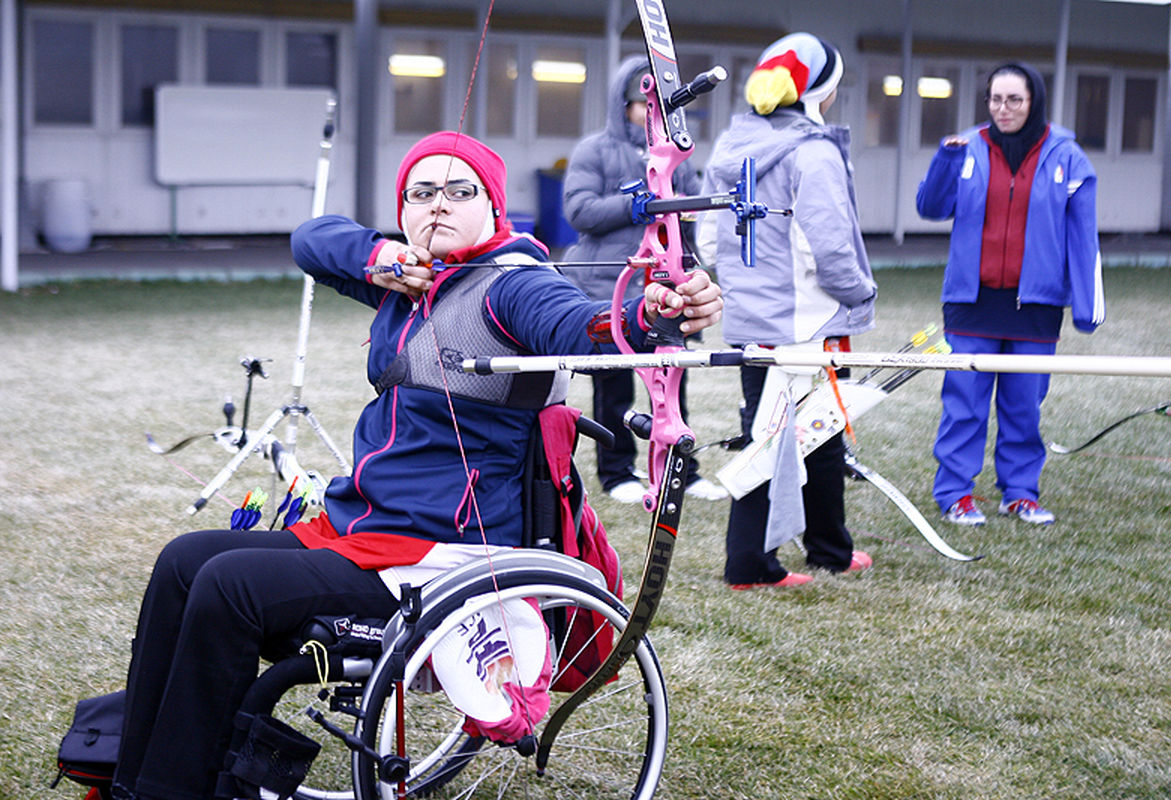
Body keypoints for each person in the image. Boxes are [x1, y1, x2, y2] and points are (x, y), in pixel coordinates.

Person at [110, 130, 723, 800]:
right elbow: (311, 239)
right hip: (366, 530)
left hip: (439, 553)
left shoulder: (511, 284)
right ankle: (132, 775)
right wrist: (379, 257)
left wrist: (654, 311)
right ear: (402, 210)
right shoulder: (407, 281)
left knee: (230, 584)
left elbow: (581, 326)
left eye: (462, 191)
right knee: (183, 559)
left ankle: (174, 791)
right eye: (421, 192)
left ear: (494, 207)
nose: (439, 205)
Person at [698, 33, 875, 589]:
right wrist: (860, 294)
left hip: (754, 322)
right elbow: (832, 249)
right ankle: (749, 562)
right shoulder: (813, 151)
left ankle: (829, 547)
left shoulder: (730, 144)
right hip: (808, 323)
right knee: (774, 439)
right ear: (823, 89)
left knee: (813, 436)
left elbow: (706, 239)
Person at [916, 62, 1104, 527]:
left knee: (1023, 407)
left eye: (1014, 100)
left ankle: (1020, 493)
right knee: (964, 405)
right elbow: (930, 208)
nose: (1003, 109)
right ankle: (955, 493)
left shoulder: (1067, 155)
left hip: (1036, 308)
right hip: (971, 303)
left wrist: (1087, 307)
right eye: (995, 100)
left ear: (1033, 101)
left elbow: (1084, 236)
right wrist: (944, 161)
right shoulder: (966, 147)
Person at [561, 55, 727, 504]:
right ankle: (617, 473)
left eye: (652, 107)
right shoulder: (594, 150)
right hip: (609, 288)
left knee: (674, 382)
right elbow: (579, 211)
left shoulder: (675, 149)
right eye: (639, 106)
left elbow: (688, 210)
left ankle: (682, 469)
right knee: (612, 388)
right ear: (624, 104)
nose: (647, 114)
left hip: (665, 286)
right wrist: (635, 206)